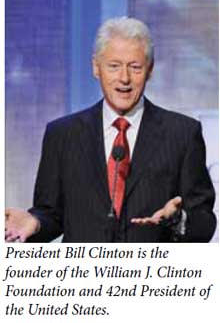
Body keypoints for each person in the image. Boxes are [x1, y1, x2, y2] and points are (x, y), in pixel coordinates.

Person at [5, 17, 216, 243]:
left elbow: (203, 221)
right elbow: (51, 214)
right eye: (114, 66)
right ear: (96, 68)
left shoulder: (182, 134)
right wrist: (35, 223)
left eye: (135, 67)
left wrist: (178, 220)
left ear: (150, 70)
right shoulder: (62, 135)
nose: (124, 78)